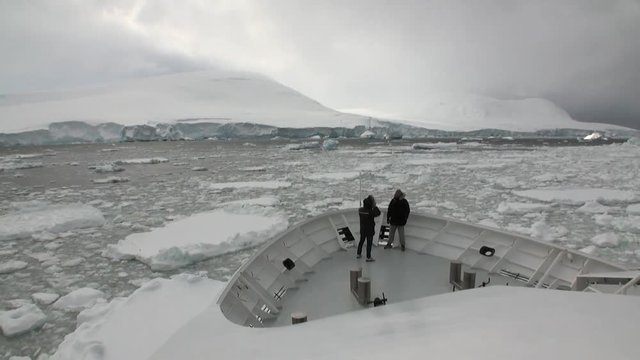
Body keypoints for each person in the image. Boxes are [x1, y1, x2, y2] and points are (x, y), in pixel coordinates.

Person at [358, 195, 381, 262]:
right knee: (369, 243)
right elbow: (378, 213)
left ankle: (358, 254)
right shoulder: (370, 212)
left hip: (362, 229)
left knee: (361, 241)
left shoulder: (360, 210)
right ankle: (368, 257)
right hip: (369, 230)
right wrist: (375, 206)